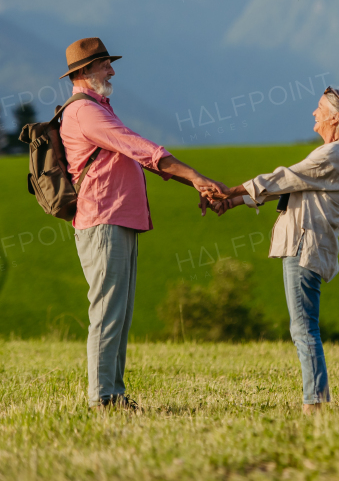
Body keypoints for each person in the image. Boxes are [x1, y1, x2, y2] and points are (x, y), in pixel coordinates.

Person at [58, 37, 224, 410]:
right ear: (84, 72)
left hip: (116, 219)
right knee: (107, 311)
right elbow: (141, 149)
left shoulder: (97, 107)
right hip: (103, 220)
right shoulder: (86, 112)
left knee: (118, 312)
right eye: (104, 65)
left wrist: (193, 181)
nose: (112, 70)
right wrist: (194, 176)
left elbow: (140, 156)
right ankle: (103, 397)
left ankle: (112, 393)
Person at [208, 86, 339, 414]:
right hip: (304, 246)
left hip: (304, 247)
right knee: (303, 324)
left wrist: (229, 190)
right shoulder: (336, 155)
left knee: (303, 326)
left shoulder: (334, 154)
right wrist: (235, 201)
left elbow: (285, 177)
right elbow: (290, 187)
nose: (314, 112)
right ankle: (315, 399)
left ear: (335, 117)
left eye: (319, 108)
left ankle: (315, 402)